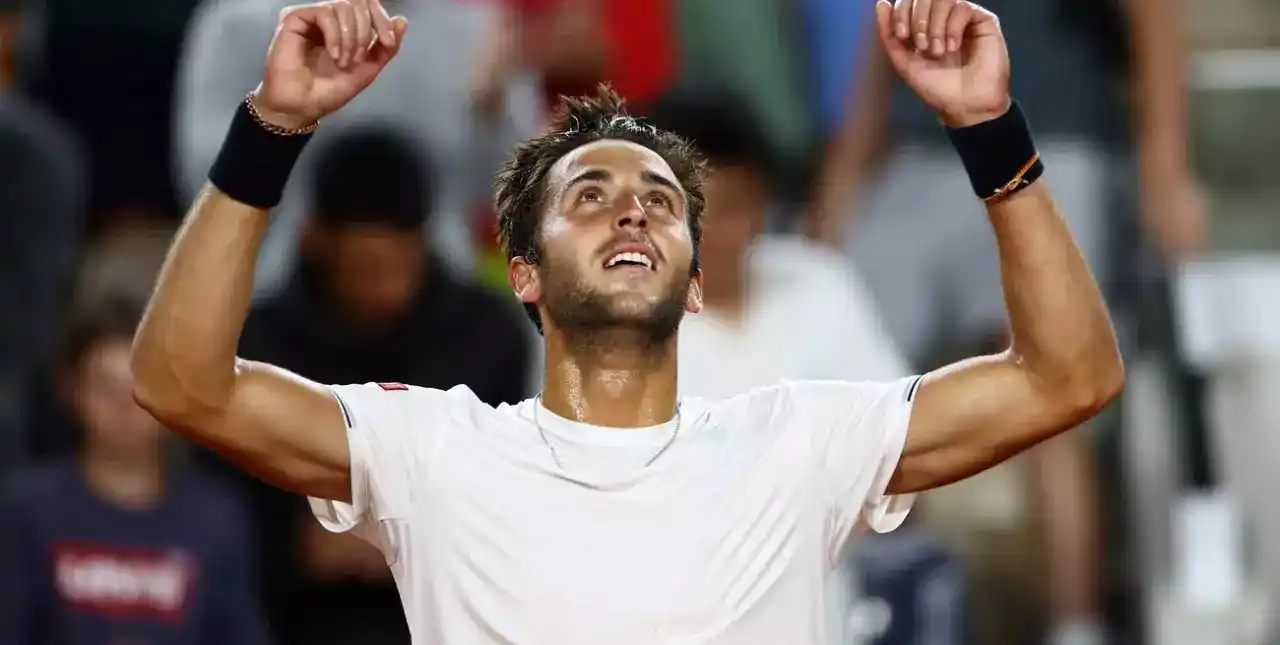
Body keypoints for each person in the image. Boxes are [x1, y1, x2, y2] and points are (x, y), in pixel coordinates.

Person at [131, 1, 1124, 643]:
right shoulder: (432, 444)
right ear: (523, 274)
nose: (632, 209)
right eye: (590, 194)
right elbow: (181, 383)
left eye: (658, 198)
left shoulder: (796, 439)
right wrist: (272, 128)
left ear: (693, 283)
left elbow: (1066, 378)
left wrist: (986, 130)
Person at [810, 0, 1201, 642]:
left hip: (1050, 146)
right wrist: (843, 179)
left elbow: (1153, 18)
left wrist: (1165, 164)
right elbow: (883, 38)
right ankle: (888, 606)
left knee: (1052, 387)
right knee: (860, 390)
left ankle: (1076, 625)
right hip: (921, 156)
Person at [646, 87, 962, 645]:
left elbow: (909, 453)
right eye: (699, 216)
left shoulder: (820, 283)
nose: (721, 236)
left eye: (738, 209)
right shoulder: (613, 332)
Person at [227, 125, 533, 644]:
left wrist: (410, 539)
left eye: (401, 266)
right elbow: (225, 501)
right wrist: (296, 548)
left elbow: (513, 491)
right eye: (368, 269)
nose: (387, 288)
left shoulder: (488, 335)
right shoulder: (259, 343)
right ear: (316, 240)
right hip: (294, 617)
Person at [0, 284, 268, 644]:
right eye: (105, 387)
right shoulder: (27, 510)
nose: (126, 407)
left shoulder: (217, 519)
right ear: (70, 391)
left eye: (141, 388)